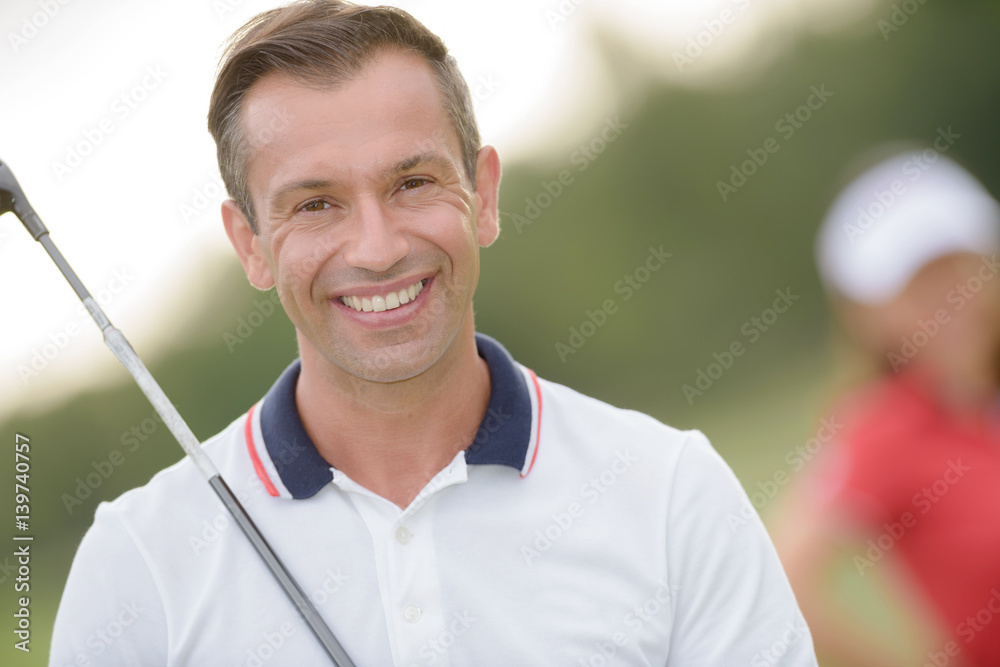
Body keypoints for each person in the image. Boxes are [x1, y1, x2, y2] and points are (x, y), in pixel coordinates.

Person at [49, 2, 817, 664]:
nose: (378, 248)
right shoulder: (137, 565)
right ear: (250, 242)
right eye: (315, 204)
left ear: (482, 195)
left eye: (411, 183)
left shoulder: (673, 493)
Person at [772, 148, 1000, 666]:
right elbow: (785, 583)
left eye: (955, 267)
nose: (950, 298)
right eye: (918, 283)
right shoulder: (879, 429)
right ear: (867, 313)